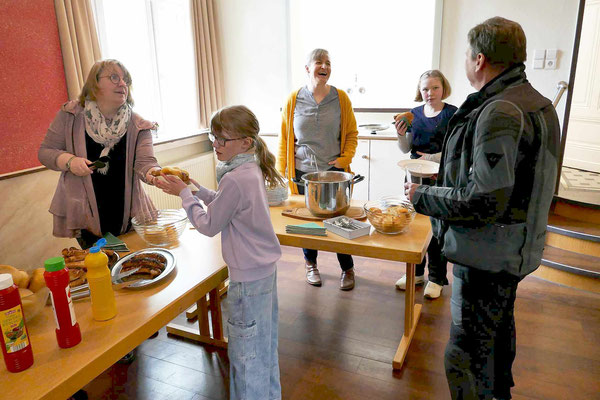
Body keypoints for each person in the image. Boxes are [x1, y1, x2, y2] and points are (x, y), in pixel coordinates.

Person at [405, 17, 560, 400]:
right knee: (496, 335)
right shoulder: (537, 103)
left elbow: (484, 199)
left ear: (479, 59)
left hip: (489, 256)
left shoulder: (500, 111)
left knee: (465, 353)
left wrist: (421, 197)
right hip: (516, 250)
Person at [156, 105, 283, 400]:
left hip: (248, 283)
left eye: (222, 139)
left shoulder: (235, 178)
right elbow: (226, 204)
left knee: (246, 358)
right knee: (264, 349)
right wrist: (196, 189)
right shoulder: (249, 170)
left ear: (245, 142)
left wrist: (184, 195)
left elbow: (209, 225)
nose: (216, 145)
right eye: (213, 138)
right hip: (264, 275)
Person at [39, 59, 161, 249]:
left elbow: (145, 163)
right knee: (98, 270)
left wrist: (155, 174)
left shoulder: (138, 124)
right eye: (114, 77)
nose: (122, 84)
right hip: (84, 215)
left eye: (125, 80)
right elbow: (45, 152)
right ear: (94, 84)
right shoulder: (70, 115)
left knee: (130, 266)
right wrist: (69, 161)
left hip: (127, 213)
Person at [278, 48, 359, 290]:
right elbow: (285, 139)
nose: (324, 66)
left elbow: (352, 134)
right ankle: (310, 264)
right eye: (319, 62)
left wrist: (345, 158)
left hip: (334, 174)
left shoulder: (341, 98)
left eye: (328, 62)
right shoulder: (293, 100)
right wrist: (282, 171)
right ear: (307, 68)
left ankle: (347, 267)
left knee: (339, 221)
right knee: (309, 223)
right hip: (303, 173)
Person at [394, 70, 457, 299]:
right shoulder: (413, 115)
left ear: (443, 88)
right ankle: (416, 273)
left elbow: (455, 151)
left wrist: (429, 160)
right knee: (413, 225)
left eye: (434, 88)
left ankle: (437, 278)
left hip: (439, 178)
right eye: (425, 89)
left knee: (436, 228)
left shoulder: (453, 114)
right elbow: (405, 149)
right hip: (413, 176)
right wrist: (400, 135)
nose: (429, 93)